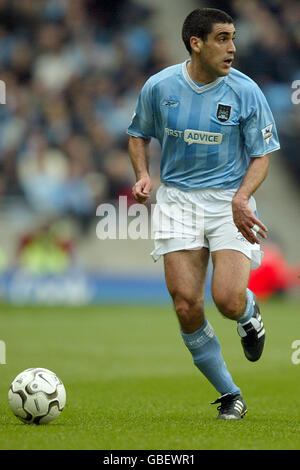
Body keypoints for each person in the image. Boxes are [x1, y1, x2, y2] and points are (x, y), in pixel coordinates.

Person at [127, 8, 280, 420]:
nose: (232, 48)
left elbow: (263, 156)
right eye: (222, 38)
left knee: (227, 300)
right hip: (177, 200)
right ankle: (231, 394)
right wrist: (143, 175)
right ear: (196, 43)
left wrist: (243, 196)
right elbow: (138, 134)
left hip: (229, 199)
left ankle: (248, 314)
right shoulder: (160, 87)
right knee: (185, 305)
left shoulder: (246, 91)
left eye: (233, 38)